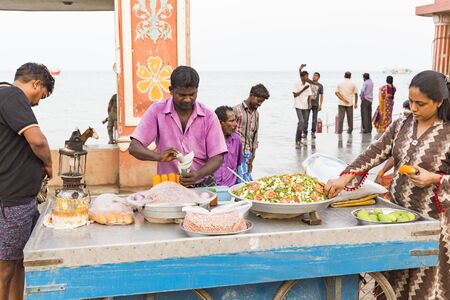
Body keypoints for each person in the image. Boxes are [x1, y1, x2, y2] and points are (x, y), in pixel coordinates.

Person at [325, 70, 449, 299]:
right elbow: (375, 151)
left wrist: (435, 178)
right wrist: (344, 177)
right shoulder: (403, 123)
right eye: (411, 101)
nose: (413, 108)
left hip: (434, 222)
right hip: (397, 216)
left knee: (424, 283)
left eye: (421, 104)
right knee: (391, 280)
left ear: (439, 101)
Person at [0, 63, 55, 299]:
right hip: (13, 200)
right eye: (40, 95)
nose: (37, 103)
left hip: (18, 197)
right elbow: (38, 141)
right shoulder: (12, 95)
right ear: (35, 83)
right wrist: (50, 164)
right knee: (6, 266)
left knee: (19, 261)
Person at [129, 66, 227, 187]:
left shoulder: (209, 116)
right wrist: (158, 156)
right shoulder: (157, 111)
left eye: (192, 94)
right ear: (171, 90)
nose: (187, 99)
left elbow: (217, 157)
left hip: (202, 182)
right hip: (169, 184)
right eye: (181, 95)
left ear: (197, 91)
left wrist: (197, 175)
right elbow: (134, 147)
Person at [234, 83, 270, 181]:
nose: (260, 104)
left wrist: (252, 159)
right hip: (236, 154)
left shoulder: (256, 114)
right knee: (242, 182)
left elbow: (255, 137)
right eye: (258, 101)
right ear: (251, 95)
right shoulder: (236, 111)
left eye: (262, 102)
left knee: (245, 182)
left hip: (248, 154)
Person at [213, 106, 243, 187]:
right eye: (232, 121)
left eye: (235, 120)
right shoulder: (208, 141)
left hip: (230, 189)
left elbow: (239, 165)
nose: (236, 124)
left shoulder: (237, 140)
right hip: (212, 188)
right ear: (220, 123)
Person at [293, 70, 312, 146]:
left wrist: (310, 103)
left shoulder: (308, 84)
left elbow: (309, 95)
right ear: (301, 77)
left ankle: (299, 139)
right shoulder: (296, 84)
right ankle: (297, 140)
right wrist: (304, 88)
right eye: (306, 76)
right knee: (301, 121)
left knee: (303, 123)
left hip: (305, 106)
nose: (307, 77)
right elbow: (295, 95)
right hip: (298, 105)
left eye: (307, 76)